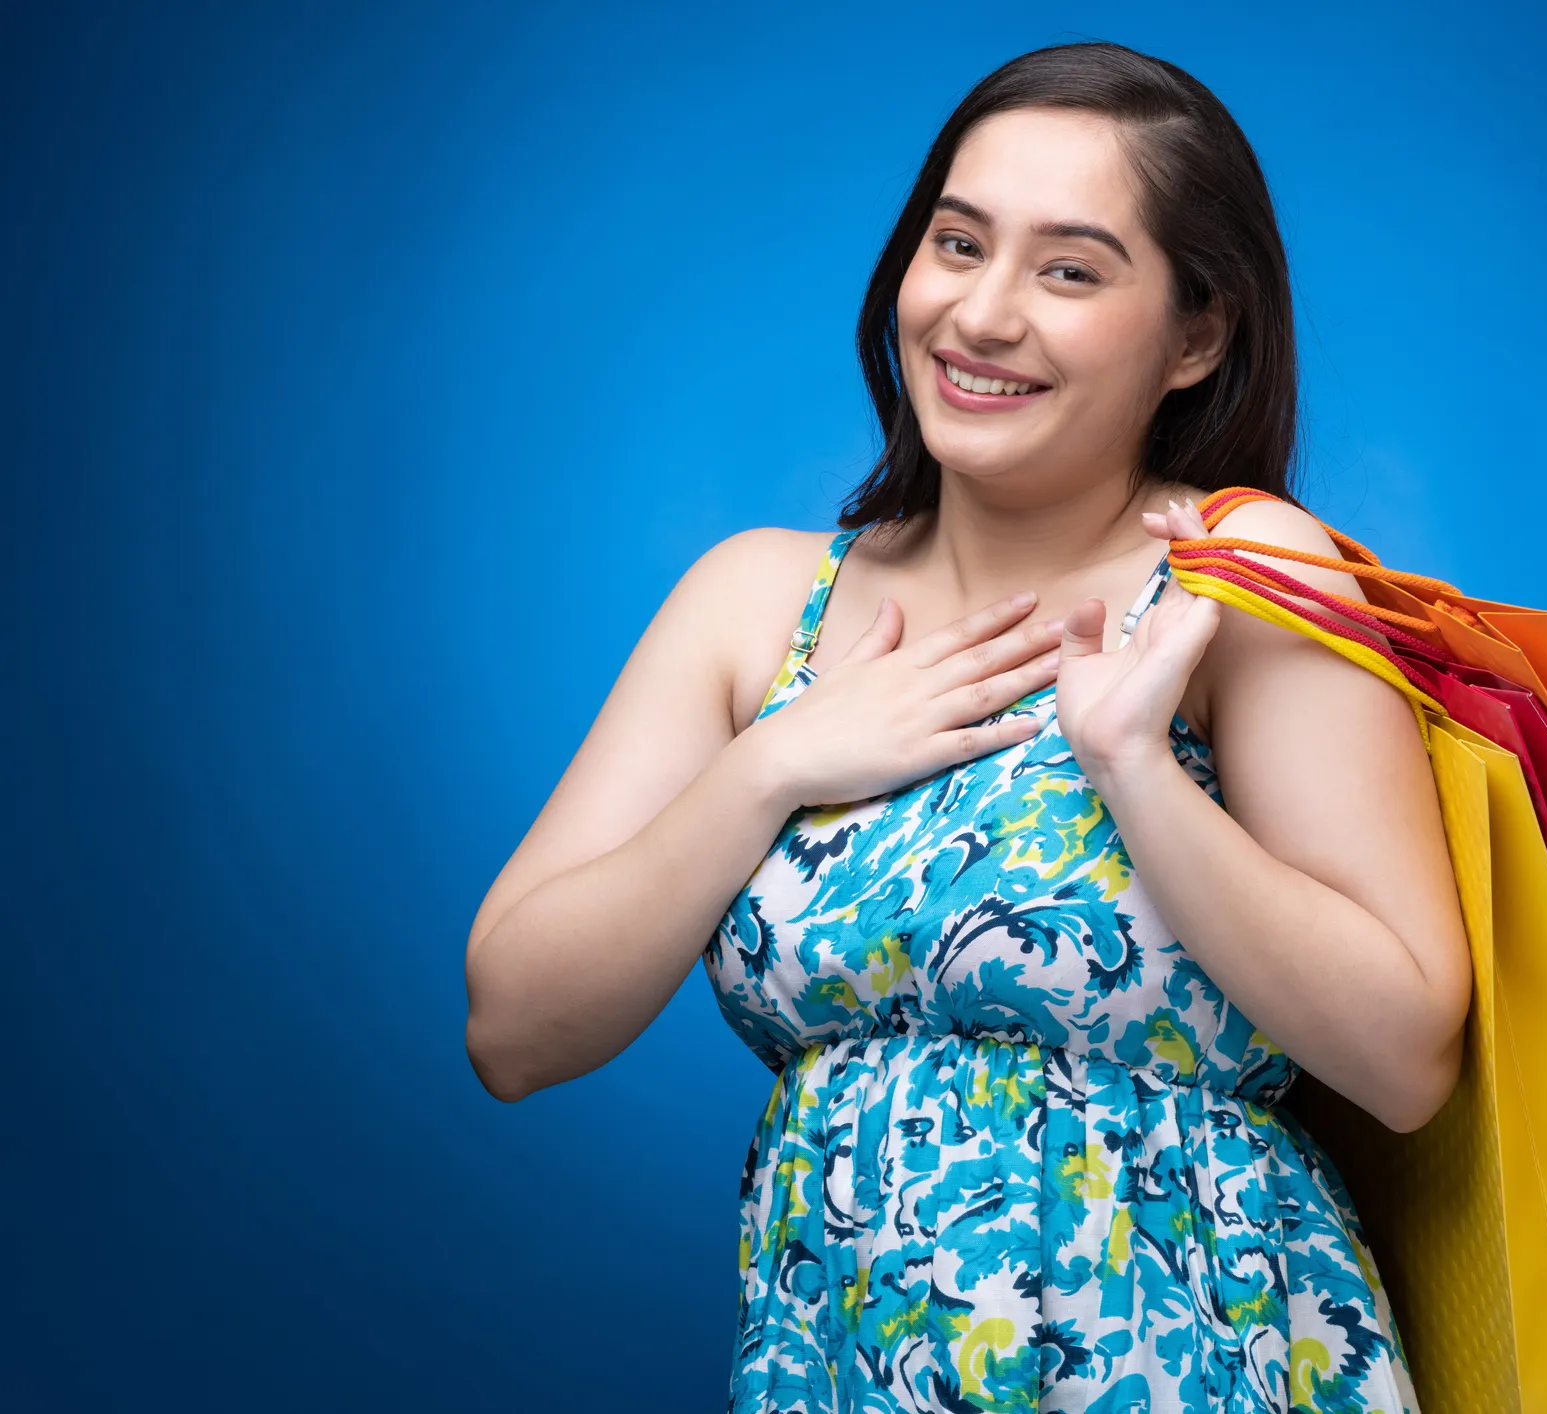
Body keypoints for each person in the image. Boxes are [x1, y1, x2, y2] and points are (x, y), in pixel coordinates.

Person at [464, 40, 1470, 1414]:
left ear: (1197, 333)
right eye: (957, 243)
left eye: (1070, 269)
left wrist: (1134, 766)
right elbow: (513, 1027)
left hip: (1195, 1365)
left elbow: (1405, 1054)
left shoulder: (1243, 582)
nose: (981, 315)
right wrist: (779, 760)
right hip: (847, 1368)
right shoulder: (758, 603)